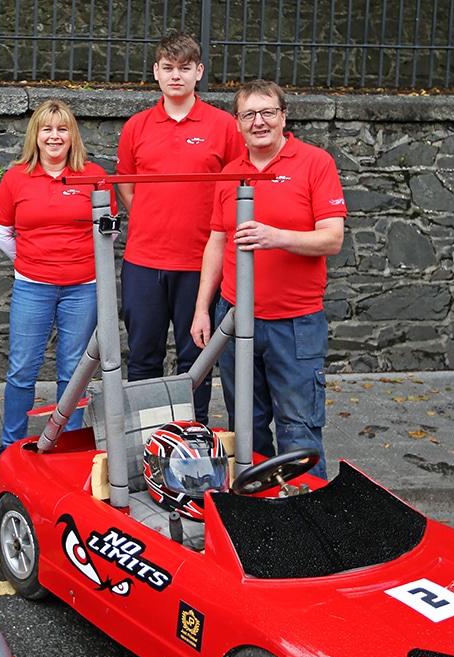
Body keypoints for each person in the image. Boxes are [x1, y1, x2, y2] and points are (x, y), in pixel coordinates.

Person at [190, 79, 347, 479]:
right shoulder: (229, 173)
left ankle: (309, 517)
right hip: (236, 320)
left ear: (283, 116)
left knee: (299, 430)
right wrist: (201, 310)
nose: (259, 122)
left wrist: (277, 237)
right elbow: (216, 241)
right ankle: (261, 521)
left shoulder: (315, 163)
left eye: (267, 112)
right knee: (247, 431)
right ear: (238, 123)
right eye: (249, 115)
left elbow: (332, 239)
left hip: (294, 324)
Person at [115, 31, 244, 425]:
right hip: (143, 261)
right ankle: (147, 439)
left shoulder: (223, 125)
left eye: (185, 68)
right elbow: (125, 180)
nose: (176, 76)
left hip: (199, 262)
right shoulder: (137, 126)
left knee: (196, 359)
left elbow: (237, 183)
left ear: (198, 72)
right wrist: (151, 216)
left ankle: (192, 438)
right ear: (156, 72)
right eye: (168, 68)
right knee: (143, 358)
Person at [0, 100, 116, 475]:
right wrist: (32, 262)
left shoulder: (94, 176)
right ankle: (11, 446)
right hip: (32, 287)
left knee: (73, 372)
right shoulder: (16, 178)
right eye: (47, 129)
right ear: (36, 136)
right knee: (22, 369)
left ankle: (67, 445)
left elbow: (106, 234)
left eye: (62, 129)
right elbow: (2, 234)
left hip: (83, 288)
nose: (54, 136)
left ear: (72, 135)